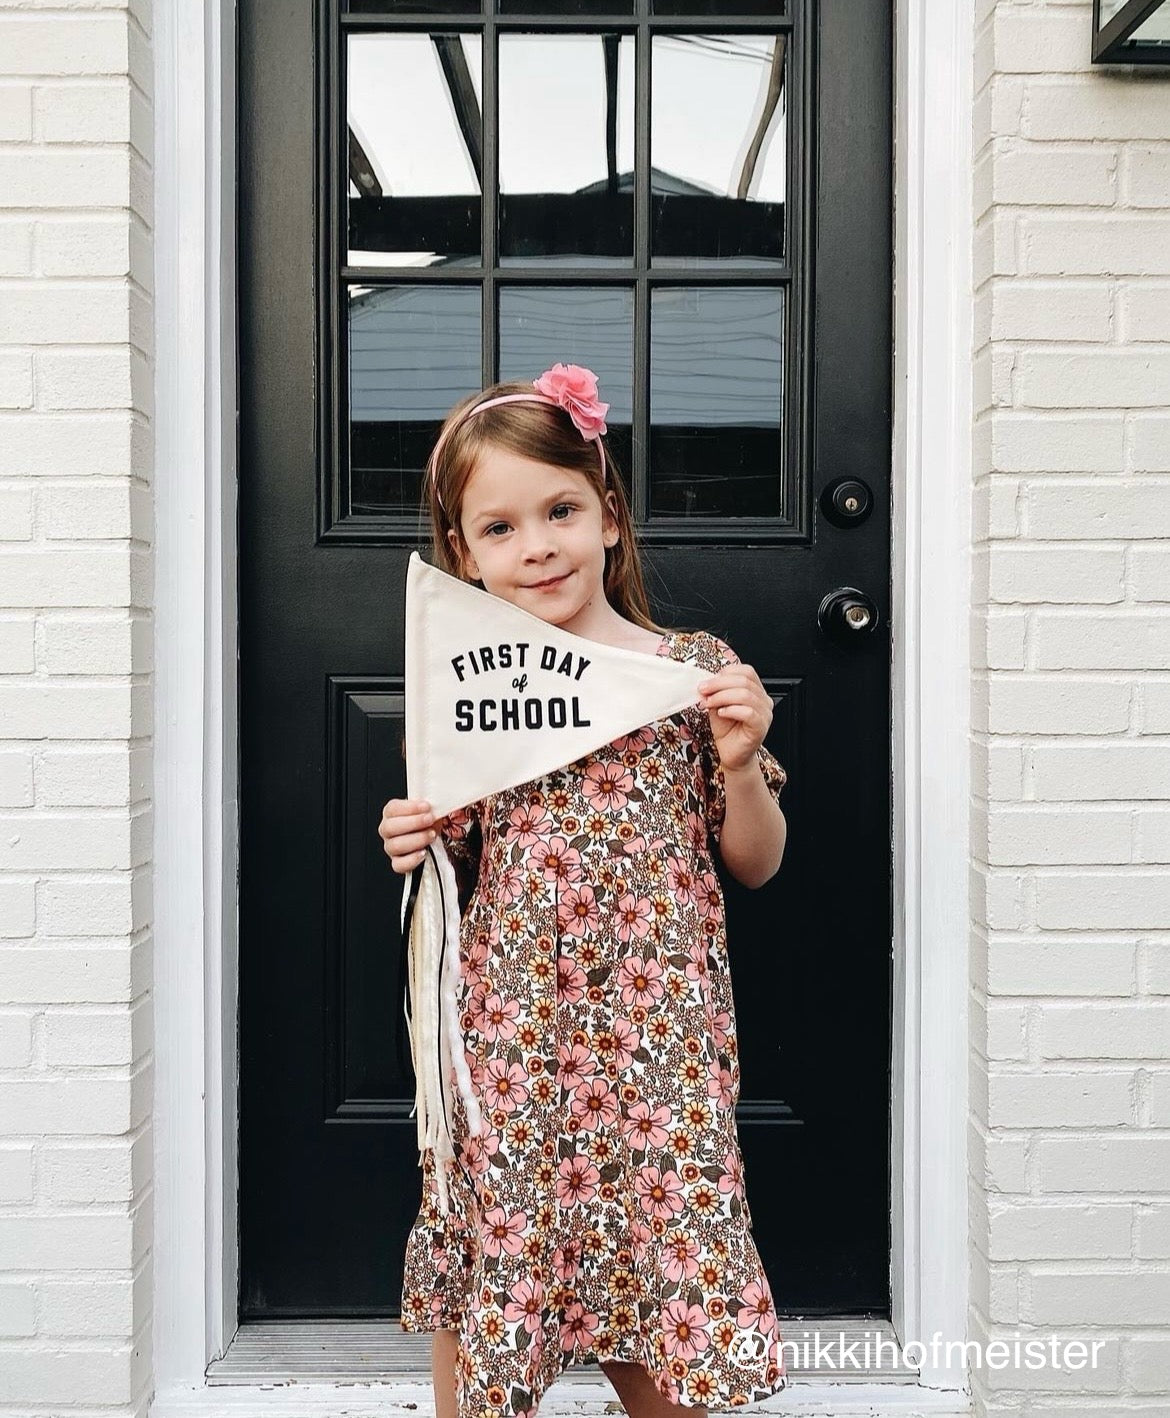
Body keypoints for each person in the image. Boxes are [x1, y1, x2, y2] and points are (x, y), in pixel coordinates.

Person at [379, 364, 791, 1418]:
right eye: (502, 527)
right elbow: (454, 857)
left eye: (559, 509)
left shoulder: (687, 671)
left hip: (660, 1049)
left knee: (662, 1276)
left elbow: (756, 859)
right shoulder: (472, 692)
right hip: (517, 1044)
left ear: (608, 514)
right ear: (467, 556)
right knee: (502, 1285)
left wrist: (740, 762)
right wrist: (414, 836)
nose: (539, 544)